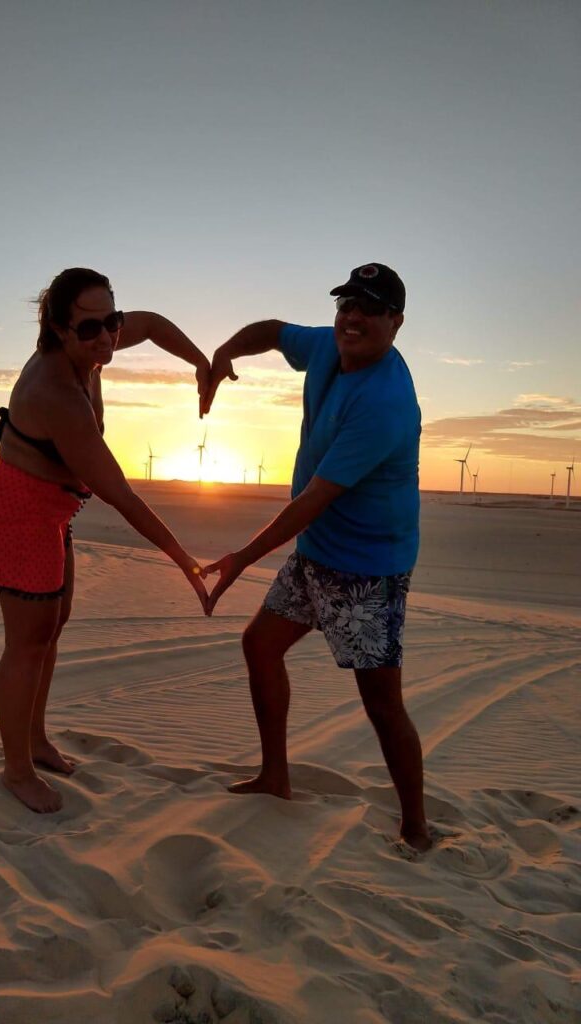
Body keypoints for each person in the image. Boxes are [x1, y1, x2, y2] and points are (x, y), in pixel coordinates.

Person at [201, 263, 431, 851]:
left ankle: (416, 827)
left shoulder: (385, 403)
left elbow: (312, 501)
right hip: (317, 552)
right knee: (259, 645)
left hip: (367, 569)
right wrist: (223, 353)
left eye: (370, 307)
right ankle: (275, 776)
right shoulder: (330, 344)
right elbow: (276, 330)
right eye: (346, 304)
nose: (352, 317)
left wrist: (242, 558)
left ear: (395, 322)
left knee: (381, 704)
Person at [0, 267, 210, 814]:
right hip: (19, 515)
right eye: (90, 329)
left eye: (112, 322)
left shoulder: (95, 347)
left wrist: (200, 362)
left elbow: (151, 325)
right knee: (27, 643)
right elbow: (120, 493)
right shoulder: (57, 392)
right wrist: (183, 560)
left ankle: (34, 739)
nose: (107, 338)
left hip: (54, 511)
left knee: (52, 627)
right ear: (59, 330)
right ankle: (16, 770)